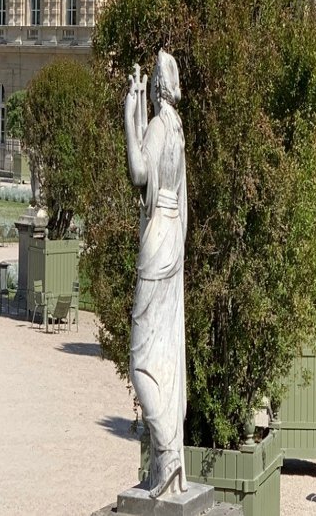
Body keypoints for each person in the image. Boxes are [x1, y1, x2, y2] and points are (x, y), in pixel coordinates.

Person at [124, 50, 188, 498]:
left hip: (157, 238)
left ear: (157, 87)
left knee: (141, 354)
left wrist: (130, 117)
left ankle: (165, 451)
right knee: (164, 345)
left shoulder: (160, 125)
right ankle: (171, 459)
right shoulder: (178, 130)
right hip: (173, 238)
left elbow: (139, 172)